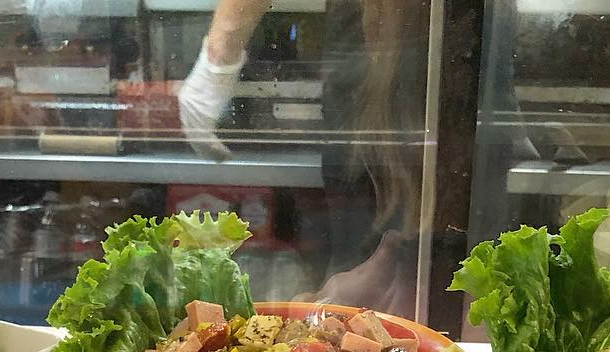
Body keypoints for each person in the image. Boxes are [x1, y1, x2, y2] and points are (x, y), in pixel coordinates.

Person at [177, 0, 430, 317]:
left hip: (426, 32)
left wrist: (220, 53)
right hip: (385, 34)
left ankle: (391, 303)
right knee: (374, 248)